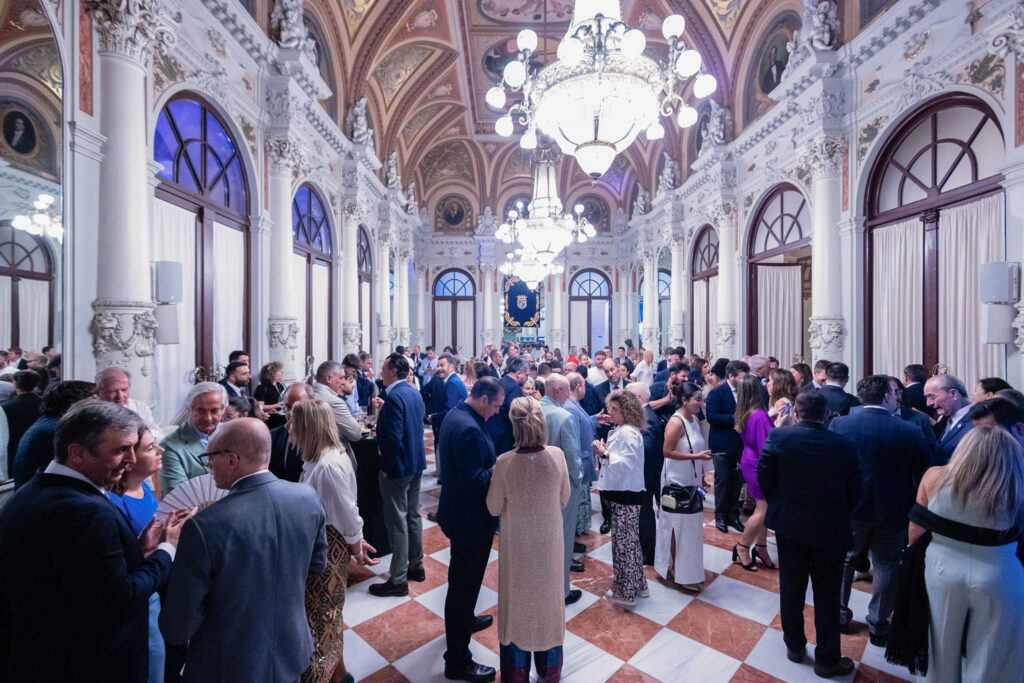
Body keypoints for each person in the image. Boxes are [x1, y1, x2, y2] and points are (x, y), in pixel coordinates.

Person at [0, 400, 188, 681]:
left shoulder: (30, 492)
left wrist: (138, 551)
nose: (132, 460)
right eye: (121, 450)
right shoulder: (86, 512)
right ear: (77, 452)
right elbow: (121, 599)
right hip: (88, 663)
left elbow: (79, 574)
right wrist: (166, 549)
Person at [160, 418, 328, 681]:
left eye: (210, 457)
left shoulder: (204, 526)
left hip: (228, 663)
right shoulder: (307, 497)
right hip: (291, 649)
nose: (208, 465)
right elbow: (317, 565)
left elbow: (178, 627)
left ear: (232, 460)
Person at [757, 390, 862, 678]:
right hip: (830, 527)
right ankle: (827, 659)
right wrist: (840, 511)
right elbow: (856, 489)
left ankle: (794, 645)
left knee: (791, 586)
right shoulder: (844, 444)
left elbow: (764, 477)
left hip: (789, 524)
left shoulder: (779, 437)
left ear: (797, 412)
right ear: (827, 414)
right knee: (828, 593)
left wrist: (780, 503)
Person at [908, 427, 1024, 681]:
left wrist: (911, 560)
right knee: (993, 655)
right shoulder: (1015, 486)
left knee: (939, 645)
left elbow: (916, 527)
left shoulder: (934, 477)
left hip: (941, 568)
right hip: (1000, 572)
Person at [829, 375, 930, 645]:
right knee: (887, 565)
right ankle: (878, 624)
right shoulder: (909, 430)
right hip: (894, 509)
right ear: (886, 396)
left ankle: (839, 616)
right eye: (894, 394)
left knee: (845, 561)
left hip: (850, 507)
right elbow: (923, 474)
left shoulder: (840, 424)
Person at [289, 400, 378, 683]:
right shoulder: (320, 459)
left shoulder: (327, 466)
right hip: (322, 544)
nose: (288, 427)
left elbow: (346, 513)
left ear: (307, 427)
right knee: (324, 615)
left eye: (293, 422)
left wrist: (357, 546)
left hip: (327, 549)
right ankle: (338, 674)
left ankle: (326, 676)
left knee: (323, 617)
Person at [486, 397, 570, 682]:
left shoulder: (504, 463)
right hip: (549, 544)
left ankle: (516, 672)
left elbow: (493, 507)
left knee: (517, 604)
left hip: (518, 547)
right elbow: (564, 497)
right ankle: (549, 670)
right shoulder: (557, 456)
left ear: (514, 425)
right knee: (549, 603)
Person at [436, 377, 504, 683]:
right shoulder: (469, 429)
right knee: (462, 586)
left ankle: (465, 620)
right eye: (497, 406)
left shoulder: (457, 413)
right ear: (484, 399)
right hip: (469, 520)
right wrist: (499, 467)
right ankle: (457, 661)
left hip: (461, 514)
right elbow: (475, 480)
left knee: (465, 582)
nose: (498, 412)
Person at [107, 425, 167, 683]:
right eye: (151, 447)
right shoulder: (114, 501)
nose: (160, 449)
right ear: (130, 460)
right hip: (139, 597)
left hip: (157, 585)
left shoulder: (146, 488)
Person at [368, 353, 427, 597]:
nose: (381, 373)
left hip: (398, 467)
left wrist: (385, 466)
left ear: (393, 371)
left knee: (397, 522)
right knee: (412, 515)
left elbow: (393, 439)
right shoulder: (413, 392)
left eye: (383, 369)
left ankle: (399, 579)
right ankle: (416, 565)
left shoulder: (393, 396)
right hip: (416, 462)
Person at [593, 389, 649, 607]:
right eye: (610, 407)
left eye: (615, 409)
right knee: (630, 543)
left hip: (626, 494)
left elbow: (626, 463)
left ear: (627, 411)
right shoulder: (623, 430)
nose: (610, 412)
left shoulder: (628, 433)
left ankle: (626, 593)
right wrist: (606, 451)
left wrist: (604, 453)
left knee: (623, 545)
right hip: (624, 492)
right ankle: (639, 585)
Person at [655, 381, 712, 591]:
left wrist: (701, 474)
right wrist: (695, 457)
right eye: (697, 399)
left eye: (701, 399)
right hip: (676, 481)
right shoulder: (676, 422)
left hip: (691, 479)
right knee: (676, 527)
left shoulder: (694, 419)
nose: (700, 402)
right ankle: (678, 571)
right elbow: (667, 451)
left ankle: (684, 570)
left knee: (690, 529)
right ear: (684, 400)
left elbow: (697, 448)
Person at [540, 374, 586, 600]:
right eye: (567, 390)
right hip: (562, 486)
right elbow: (572, 456)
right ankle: (562, 591)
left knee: (544, 538)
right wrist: (578, 480)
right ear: (557, 389)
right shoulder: (564, 417)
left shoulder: (533, 410)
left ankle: (543, 585)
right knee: (564, 537)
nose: (569, 395)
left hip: (538, 483)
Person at [12, 380, 96, 488]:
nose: (100, 407)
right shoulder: (62, 430)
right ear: (73, 403)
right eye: (94, 401)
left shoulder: (47, 423)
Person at [735, 375, 775, 571]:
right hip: (758, 463)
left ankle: (761, 547)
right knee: (763, 510)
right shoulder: (759, 415)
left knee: (763, 507)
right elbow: (765, 446)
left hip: (749, 460)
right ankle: (742, 547)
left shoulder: (745, 412)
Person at [159, 382, 228, 495]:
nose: (208, 418)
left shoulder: (233, 434)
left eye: (214, 410)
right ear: (189, 409)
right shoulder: (169, 446)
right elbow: (177, 496)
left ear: (223, 409)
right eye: (201, 410)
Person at [706, 360, 749, 533]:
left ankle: (733, 515)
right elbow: (712, 417)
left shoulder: (745, 392)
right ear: (731, 376)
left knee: (737, 481)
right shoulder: (717, 393)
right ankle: (720, 516)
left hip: (741, 444)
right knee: (722, 482)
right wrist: (738, 418)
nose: (745, 381)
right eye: (742, 377)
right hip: (722, 443)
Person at [269, 382, 316, 482]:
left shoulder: (322, 440)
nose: (292, 413)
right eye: (288, 407)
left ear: (312, 405)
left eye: (298, 407)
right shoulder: (273, 435)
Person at [313, 362, 362, 453]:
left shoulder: (308, 393)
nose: (343, 382)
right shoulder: (334, 402)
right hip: (333, 454)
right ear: (329, 379)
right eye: (341, 378)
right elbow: (356, 434)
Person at [925, 374, 972, 466]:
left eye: (932, 397)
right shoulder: (950, 419)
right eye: (926, 397)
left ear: (954, 394)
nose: (928, 403)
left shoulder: (979, 421)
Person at [427, 353, 468, 455]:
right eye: (438, 366)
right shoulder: (453, 380)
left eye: (442, 365)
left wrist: (433, 417)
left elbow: (448, 412)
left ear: (451, 367)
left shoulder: (452, 383)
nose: (439, 369)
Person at [485, 356, 527, 455]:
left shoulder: (498, 381)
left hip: (490, 433)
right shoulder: (515, 389)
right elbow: (516, 417)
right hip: (505, 439)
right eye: (526, 375)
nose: (527, 378)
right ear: (518, 373)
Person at [3, 369, 40, 476]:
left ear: (15, 384)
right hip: (37, 447)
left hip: (14, 448)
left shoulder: (7, 407)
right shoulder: (43, 403)